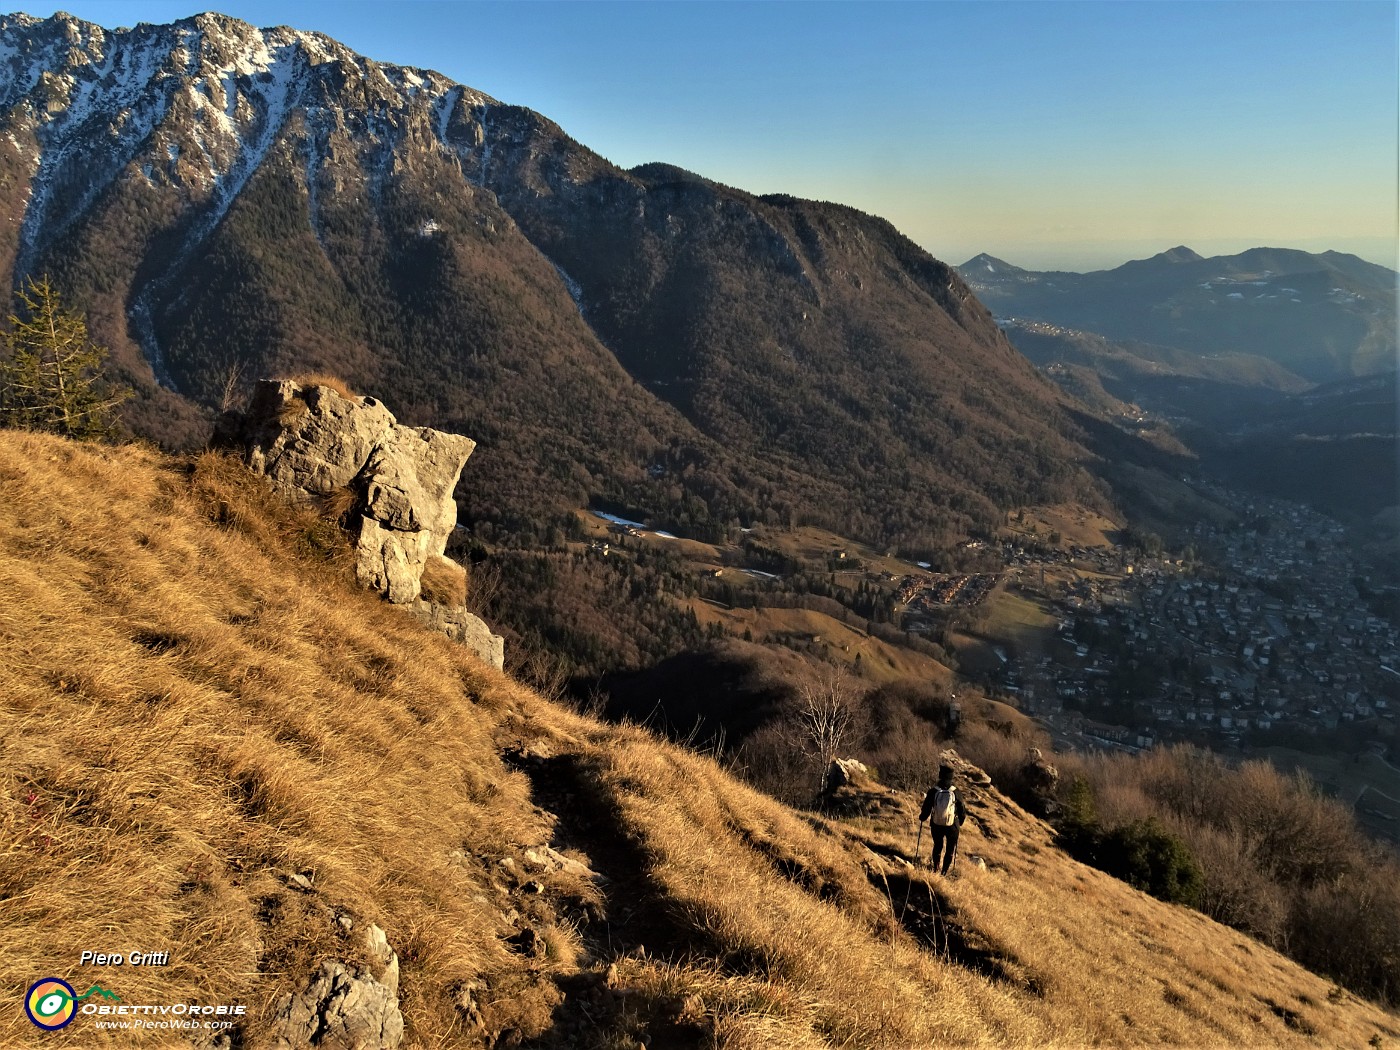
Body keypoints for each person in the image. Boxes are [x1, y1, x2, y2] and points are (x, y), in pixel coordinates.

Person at [918, 765, 967, 875]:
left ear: (940, 775)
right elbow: (962, 810)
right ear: (951, 777)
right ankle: (944, 871)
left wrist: (922, 817)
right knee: (950, 849)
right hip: (952, 825)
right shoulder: (956, 792)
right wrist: (961, 822)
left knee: (938, 846)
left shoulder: (933, 791)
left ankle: (936, 867)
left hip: (936, 824)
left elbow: (926, 808)